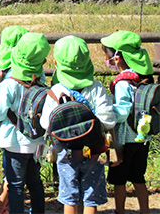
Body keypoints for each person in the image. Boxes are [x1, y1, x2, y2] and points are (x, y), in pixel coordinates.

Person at [39, 35, 116, 214]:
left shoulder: (55, 91)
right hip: (93, 150)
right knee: (91, 196)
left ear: (57, 64)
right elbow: (107, 119)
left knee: (69, 196)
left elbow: (45, 123)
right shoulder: (96, 88)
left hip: (65, 151)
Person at [0, 32, 49, 214]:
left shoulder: (9, 85)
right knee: (35, 182)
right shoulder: (41, 82)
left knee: (15, 185)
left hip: (14, 143)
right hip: (37, 142)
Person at [101, 30, 153, 214]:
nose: (107, 58)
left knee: (119, 180)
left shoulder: (123, 82)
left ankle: (120, 211)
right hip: (142, 137)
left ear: (118, 57)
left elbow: (122, 111)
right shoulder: (143, 78)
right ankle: (145, 210)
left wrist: (106, 113)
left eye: (108, 53)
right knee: (139, 177)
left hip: (124, 140)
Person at [0, 25, 29, 214]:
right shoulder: (35, 75)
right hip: (32, 133)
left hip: (11, 134)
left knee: (12, 176)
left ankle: (1, 207)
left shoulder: (7, 79)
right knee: (28, 177)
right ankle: (5, 206)